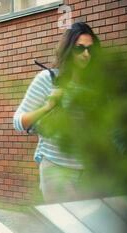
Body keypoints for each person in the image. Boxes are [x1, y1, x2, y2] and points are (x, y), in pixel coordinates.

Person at [13, 22, 101, 203]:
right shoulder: (48, 79)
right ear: (69, 50)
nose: (86, 54)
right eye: (80, 49)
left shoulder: (95, 85)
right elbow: (18, 122)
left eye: (90, 50)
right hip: (57, 171)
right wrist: (49, 106)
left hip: (90, 172)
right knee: (65, 227)